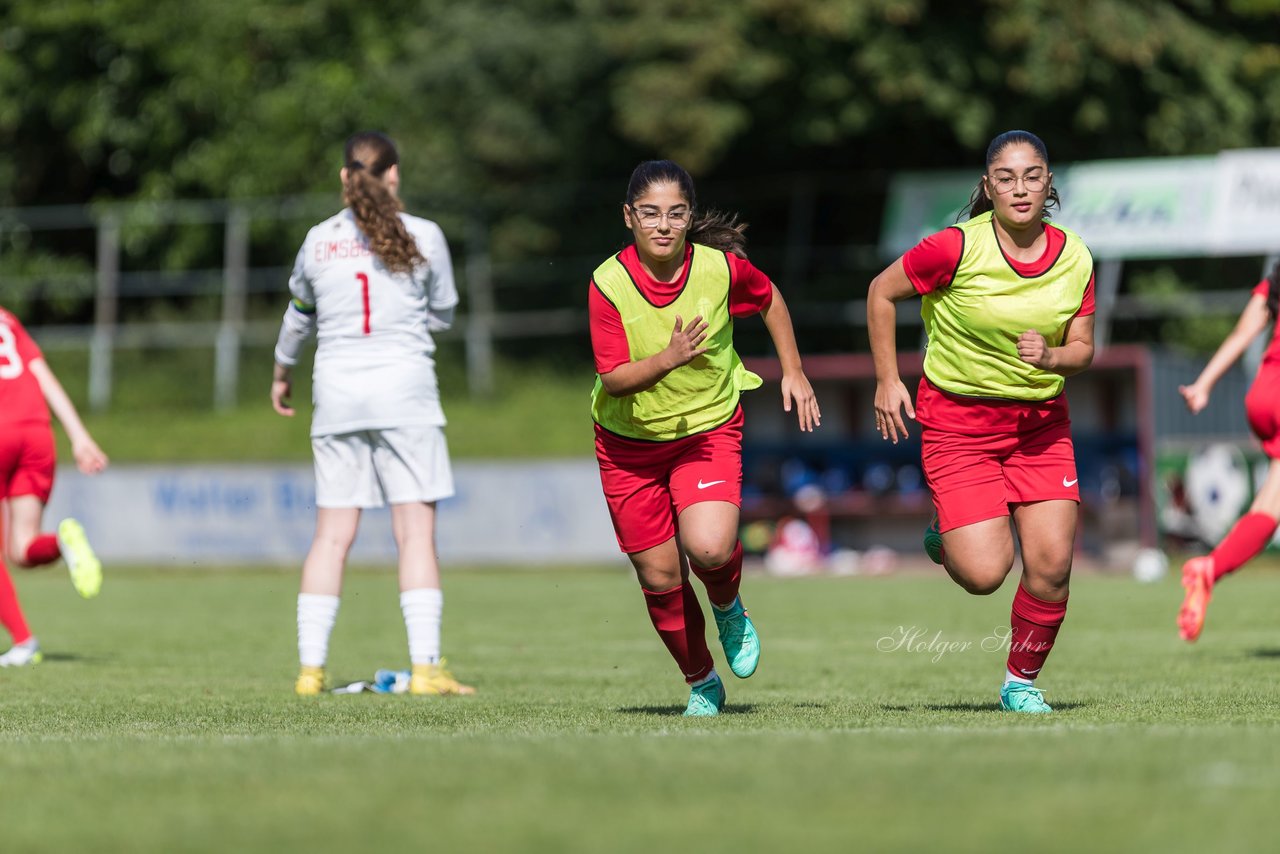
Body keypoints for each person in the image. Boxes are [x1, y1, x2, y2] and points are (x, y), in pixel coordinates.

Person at [867, 130, 1096, 714]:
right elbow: (880, 292)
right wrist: (889, 380)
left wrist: (1051, 357)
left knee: (1051, 567)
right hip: (960, 428)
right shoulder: (954, 247)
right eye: (1006, 177)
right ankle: (947, 537)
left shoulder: (1075, 257)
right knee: (985, 573)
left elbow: (1084, 349)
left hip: (1040, 427)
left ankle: (1021, 683)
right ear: (987, 185)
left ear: (1049, 183)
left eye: (1032, 175)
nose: (1020, 188)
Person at [589, 160, 821, 716]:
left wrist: (793, 369)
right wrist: (668, 358)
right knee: (661, 575)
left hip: (707, 428)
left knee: (711, 547)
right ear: (629, 217)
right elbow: (615, 378)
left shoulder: (718, 270)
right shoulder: (607, 283)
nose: (663, 225)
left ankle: (728, 604)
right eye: (650, 213)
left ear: (689, 217)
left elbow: (769, 298)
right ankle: (702, 682)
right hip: (628, 444)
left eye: (675, 213)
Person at [271, 131, 473, 697]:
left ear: (343, 178)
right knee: (414, 536)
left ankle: (311, 673)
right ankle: (427, 670)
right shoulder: (425, 235)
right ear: (394, 176)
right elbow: (443, 314)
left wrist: (281, 370)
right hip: (406, 395)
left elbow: (298, 317)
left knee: (332, 536)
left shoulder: (316, 241)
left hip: (336, 397)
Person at [1176, 262, 1280, 642]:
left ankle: (1209, 569)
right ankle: (1211, 567)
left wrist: (1204, 384)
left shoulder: (1276, 275)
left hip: (1265, 394)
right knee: (1270, 509)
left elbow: (1244, 331)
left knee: (1269, 506)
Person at [0, 305, 106, 666]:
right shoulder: (7, 319)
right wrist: (79, 436)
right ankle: (62, 541)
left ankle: (24, 642)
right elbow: (42, 376)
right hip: (37, 432)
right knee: (20, 549)